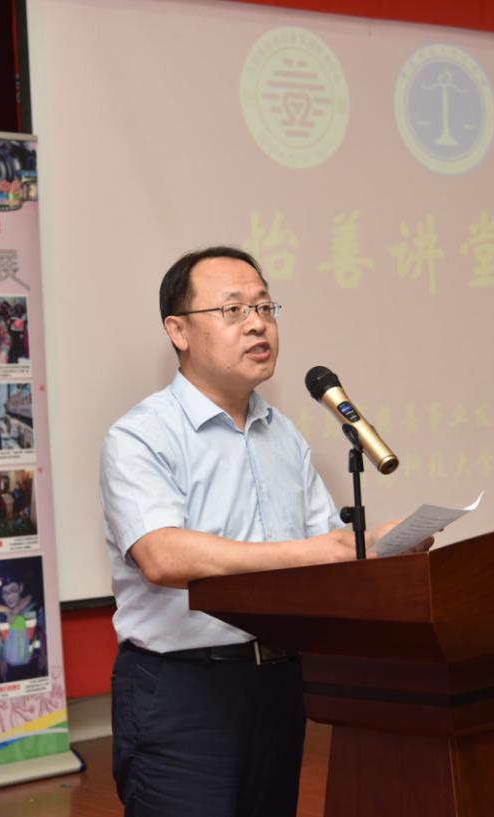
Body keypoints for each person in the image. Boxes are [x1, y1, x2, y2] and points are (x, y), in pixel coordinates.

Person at [99, 247, 403, 817]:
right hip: (184, 691)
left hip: (278, 685)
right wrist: (316, 551)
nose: (258, 323)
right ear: (179, 331)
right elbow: (162, 555)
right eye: (233, 310)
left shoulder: (282, 434)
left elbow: (326, 547)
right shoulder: (141, 436)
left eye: (265, 307)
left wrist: (385, 546)